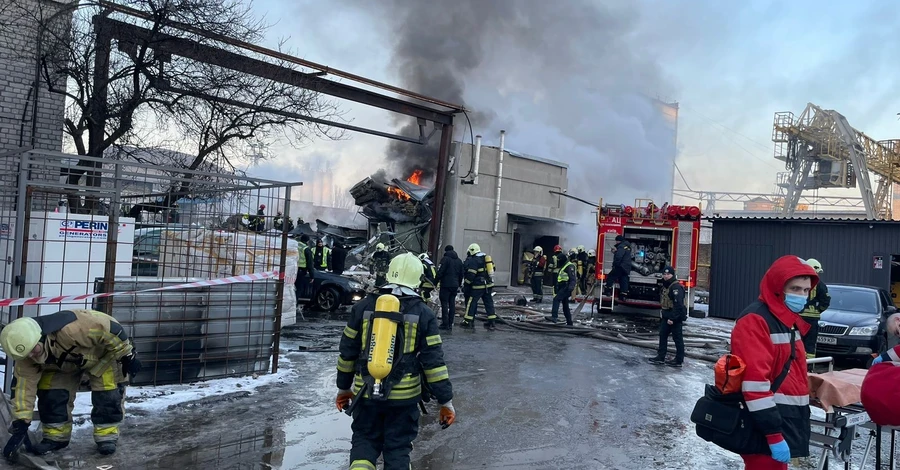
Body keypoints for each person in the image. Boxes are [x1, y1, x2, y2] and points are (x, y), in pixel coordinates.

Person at [335, 253, 455, 470]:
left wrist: (343, 387)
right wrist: (445, 402)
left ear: (389, 274)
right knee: (398, 448)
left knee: (364, 441)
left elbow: (347, 353)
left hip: (367, 392)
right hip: (404, 397)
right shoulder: (424, 313)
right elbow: (434, 364)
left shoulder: (362, 307)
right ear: (417, 279)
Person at [0, 310, 142, 458]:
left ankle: (106, 437)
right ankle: (56, 437)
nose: (31, 356)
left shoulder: (73, 329)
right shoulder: (27, 358)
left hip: (103, 356)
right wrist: (21, 423)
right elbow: (23, 389)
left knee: (107, 394)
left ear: (38, 338)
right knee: (52, 395)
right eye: (26, 355)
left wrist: (127, 356)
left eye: (32, 351)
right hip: (62, 365)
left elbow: (110, 331)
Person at [730, 255, 817, 470]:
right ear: (778, 287)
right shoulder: (757, 320)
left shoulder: (785, 320)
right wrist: (774, 435)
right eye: (795, 289)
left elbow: (790, 370)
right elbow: (755, 385)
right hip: (763, 424)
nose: (802, 296)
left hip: (781, 419)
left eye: (806, 290)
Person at [648, 266, 688, 368]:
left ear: (672, 275)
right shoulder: (666, 285)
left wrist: (672, 318)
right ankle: (661, 357)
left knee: (677, 338)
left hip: (674, 316)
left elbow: (678, 305)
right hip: (667, 315)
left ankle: (679, 360)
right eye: (664, 274)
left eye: (668, 274)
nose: (666, 276)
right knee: (662, 335)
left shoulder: (676, 287)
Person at [461, 243, 498, 331]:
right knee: (489, 303)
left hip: (478, 286)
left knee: (472, 302)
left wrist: (466, 283)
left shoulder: (474, 260)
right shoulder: (486, 258)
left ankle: (468, 321)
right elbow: (493, 268)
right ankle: (492, 321)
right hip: (488, 285)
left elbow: (471, 274)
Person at [800, 258, 830, 359]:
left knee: (797, 342)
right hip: (812, 320)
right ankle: (809, 369)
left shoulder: (799, 282)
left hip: (798, 318)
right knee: (810, 345)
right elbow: (825, 301)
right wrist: (817, 310)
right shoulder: (821, 285)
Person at [436, 245, 464, 331]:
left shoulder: (445, 259)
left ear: (446, 251)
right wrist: (458, 284)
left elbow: (440, 272)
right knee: (452, 304)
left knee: (444, 303)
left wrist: (435, 282)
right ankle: (450, 323)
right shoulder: (459, 261)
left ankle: (445, 323)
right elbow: (461, 274)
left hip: (445, 285)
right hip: (454, 285)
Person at [550, 250, 578, 325]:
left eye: (559, 260)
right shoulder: (564, 265)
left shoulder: (570, 266)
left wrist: (570, 288)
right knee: (565, 305)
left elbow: (573, 279)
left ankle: (554, 317)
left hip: (566, 287)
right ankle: (569, 322)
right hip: (562, 286)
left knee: (556, 299)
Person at [605, 235, 632, 301]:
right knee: (623, 280)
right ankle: (623, 295)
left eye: (616, 241)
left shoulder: (621, 246)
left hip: (620, 266)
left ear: (618, 240)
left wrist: (615, 264)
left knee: (611, 276)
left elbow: (619, 256)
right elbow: (624, 255)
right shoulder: (627, 246)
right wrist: (616, 252)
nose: (616, 242)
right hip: (626, 267)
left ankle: (607, 291)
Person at [294, 234, 315, 300]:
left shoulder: (295, 246)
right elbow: (310, 263)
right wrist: (312, 276)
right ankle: (295, 304)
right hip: (301, 271)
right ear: (307, 241)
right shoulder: (306, 249)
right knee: (299, 288)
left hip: (292, 269)